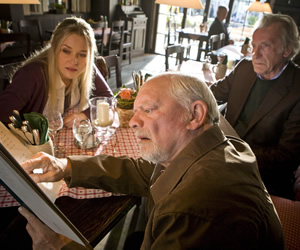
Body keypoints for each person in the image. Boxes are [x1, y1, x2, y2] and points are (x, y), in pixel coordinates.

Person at [20, 73, 284, 249]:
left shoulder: (192, 207)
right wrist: (66, 166)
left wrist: (60, 247)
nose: (133, 122)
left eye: (147, 110)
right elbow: (145, 171)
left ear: (195, 115)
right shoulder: (215, 143)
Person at [210, 13, 300, 199]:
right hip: (221, 157)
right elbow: (212, 93)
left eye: (265, 46)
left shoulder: (297, 89)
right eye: (254, 46)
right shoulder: (244, 68)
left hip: (262, 176)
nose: (255, 54)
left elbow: (286, 156)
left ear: (287, 50)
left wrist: (231, 153)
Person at [0, 16, 113, 128]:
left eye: (82, 54)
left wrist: (84, 115)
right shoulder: (31, 75)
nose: (74, 61)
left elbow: (108, 98)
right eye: (66, 51)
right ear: (53, 46)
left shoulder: (86, 67)